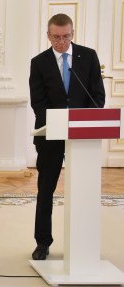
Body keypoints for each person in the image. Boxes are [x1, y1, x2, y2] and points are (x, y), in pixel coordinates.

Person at [29, 13, 105, 261]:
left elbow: (97, 97)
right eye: (56, 37)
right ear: (48, 35)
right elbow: (38, 103)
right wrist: (55, 124)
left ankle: (82, 241)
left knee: (82, 188)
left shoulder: (88, 56)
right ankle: (43, 242)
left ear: (72, 34)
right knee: (46, 189)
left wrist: (84, 123)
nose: (61, 42)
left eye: (66, 36)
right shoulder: (39, 62)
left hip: (82, 138)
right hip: (50, 136)